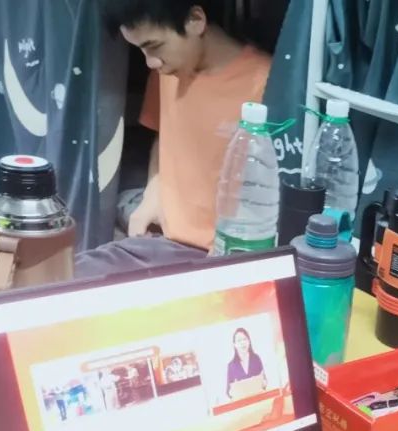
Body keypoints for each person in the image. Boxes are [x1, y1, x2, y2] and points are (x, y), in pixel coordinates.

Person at [101, 1, 272, 250]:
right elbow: (165, 134)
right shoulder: (166, 71)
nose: (150, 63)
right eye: (141, 50)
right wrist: (153, 194)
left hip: (224, 250)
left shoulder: (266, 82)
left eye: (154, 46)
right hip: (163, 237)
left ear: (196, 20)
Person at [225, 327, 267, 400]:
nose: (242, 342)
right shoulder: (231, 366)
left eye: (245, 339)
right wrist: (235, 390)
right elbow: (228, 392)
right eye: (239, 340)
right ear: (234, 344)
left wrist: (263, 383)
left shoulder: (256, 358)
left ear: (249, 341)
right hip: (243, 402)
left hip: (258, 399)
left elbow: (264, 381)